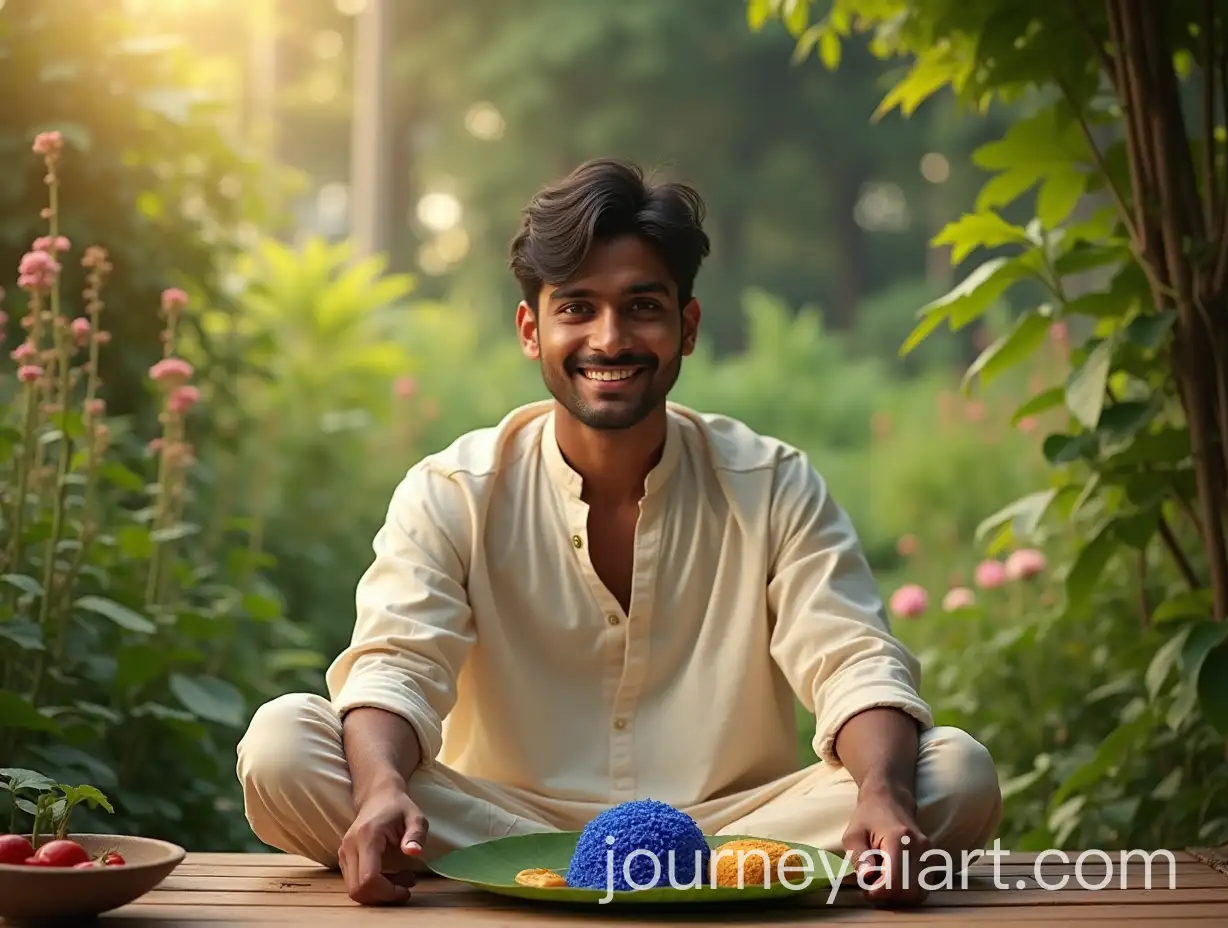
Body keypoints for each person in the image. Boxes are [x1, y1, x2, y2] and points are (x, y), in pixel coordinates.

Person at [236, 158, 1002, 908]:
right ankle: (505, 856)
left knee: (951, 775)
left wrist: (879, 792)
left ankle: (564, 876)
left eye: (641, 306)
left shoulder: (771, 482)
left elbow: (853, 663)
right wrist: (381, 793)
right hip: (507, 823)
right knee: (284, 746)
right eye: (576, 308)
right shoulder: (453, 491)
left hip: (731, 831)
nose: (610, 339)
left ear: (686, 325)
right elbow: (396, 668)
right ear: (532, 330)